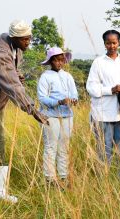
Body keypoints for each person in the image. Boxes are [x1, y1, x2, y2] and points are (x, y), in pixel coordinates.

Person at [0, 20, 48, 203]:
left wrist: (16, 75)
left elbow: (10, 75)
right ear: (14, 37)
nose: (28, 43)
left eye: (29, 38)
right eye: (25, 40)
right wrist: (32, 110)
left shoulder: (15, 48)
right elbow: (11, 84)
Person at [86, 30, 120, 179]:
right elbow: (91, 88)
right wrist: (110, 90)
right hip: (104, 114)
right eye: (108, 43)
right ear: (104, 44)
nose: (112, 46)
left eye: (114, 42)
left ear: (119, 43)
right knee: (104, 150)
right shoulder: (98, 62)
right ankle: (103, 183)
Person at [38, 47, 78, 186]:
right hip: (50, 116)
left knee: (64, 146)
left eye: (62, 60)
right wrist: (59, 102)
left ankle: (63, 176)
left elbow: (74, 94)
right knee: (51, 146)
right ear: (50, 61)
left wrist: (73, 100)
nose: (60, 63)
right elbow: (42, 98)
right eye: (56, 60)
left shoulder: (67, 76)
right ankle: (50, 178)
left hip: (67, 115)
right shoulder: (45, 77)